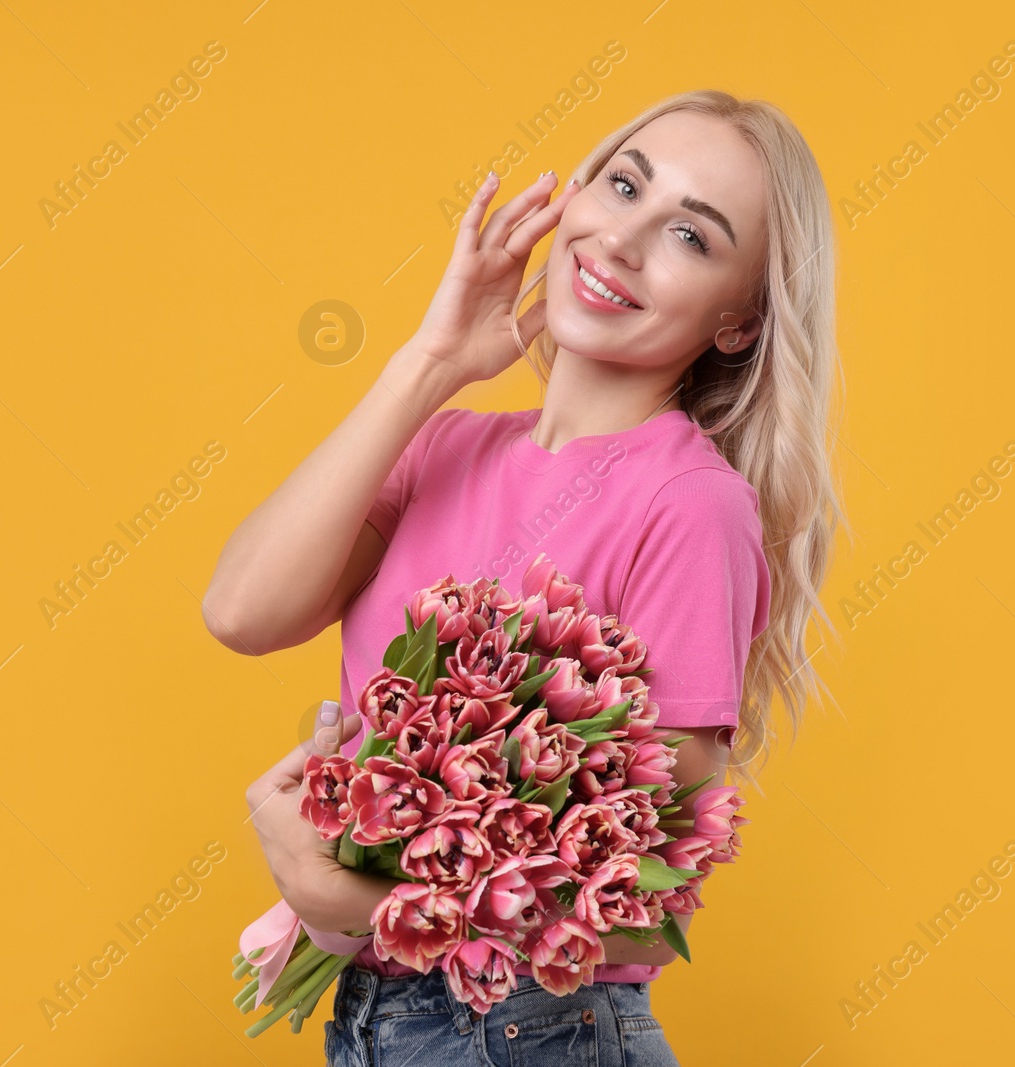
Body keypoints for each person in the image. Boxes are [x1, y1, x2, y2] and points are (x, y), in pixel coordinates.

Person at [204, 88, 846, 1066]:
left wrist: (359, 900)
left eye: (688, 235)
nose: (623, 242)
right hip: (387, 1021)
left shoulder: (686, 503)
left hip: (530, 1032)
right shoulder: (444, 445)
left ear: (738, 323)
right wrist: (429, 361)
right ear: (572, 197)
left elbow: (642, 903)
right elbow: (242, 611)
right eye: (621, 185)